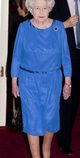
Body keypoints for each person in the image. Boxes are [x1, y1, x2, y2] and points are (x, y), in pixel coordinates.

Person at [11, 0, 72, 158]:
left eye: (44, 8)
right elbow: (16, 56)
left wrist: (68, 82)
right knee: (32, 119)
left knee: (50, 118)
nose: (41, 12)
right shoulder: (23, 28)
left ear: (49, 8)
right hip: (28, 80)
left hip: (52, 80)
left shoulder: (58, 27)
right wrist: (13, 81)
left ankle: (46, 150)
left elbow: (65, 57)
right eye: (37, 8)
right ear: (31, 9)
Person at [50, 0, 80, 155]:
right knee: (65, 101)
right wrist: (64, 25)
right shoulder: (54, 4)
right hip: (61, 59)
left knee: (74, 101)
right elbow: (44, 29)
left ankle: (64, 133)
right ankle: (64, 141)